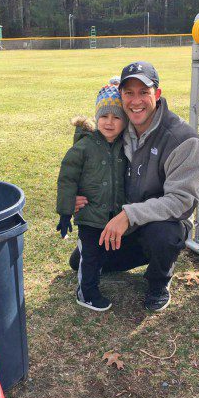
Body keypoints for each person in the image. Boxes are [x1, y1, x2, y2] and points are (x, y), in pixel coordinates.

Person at [70, 61, 199, 312]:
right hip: (124, 224)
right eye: (128, 93)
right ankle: (127, 252)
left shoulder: (183, 139)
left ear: (157, 94)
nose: (136, 101)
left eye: (144, 92)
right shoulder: (117, 129)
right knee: (77, 262)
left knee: (162, 237)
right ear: (120, 96)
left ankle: (158, 283)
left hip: (161, 223)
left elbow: (181, 201)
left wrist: (130, 215)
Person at [56, 84, 128, 311]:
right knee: (89, 255)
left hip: (113, 216)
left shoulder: (126, 146)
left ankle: (94, 278)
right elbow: (67, 179)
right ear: (96, 117)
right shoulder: (84, 147)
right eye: (104, 116)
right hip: (89, 216)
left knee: (102, 253)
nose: (109, 122)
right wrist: (66, 212)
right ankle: (86, 292)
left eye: (116, 117)